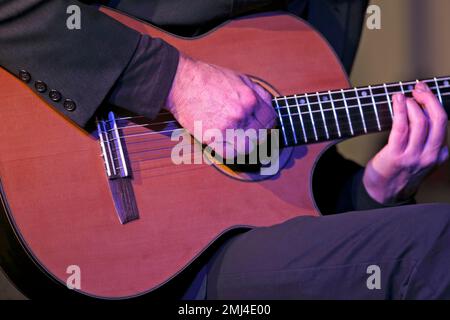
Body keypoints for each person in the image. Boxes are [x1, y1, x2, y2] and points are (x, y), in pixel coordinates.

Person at [1, 0, 449, 299]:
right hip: (132, 252)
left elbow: (292, 162)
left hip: (241, 244)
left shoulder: (338, 9)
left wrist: (374, 190)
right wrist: (175, 81)